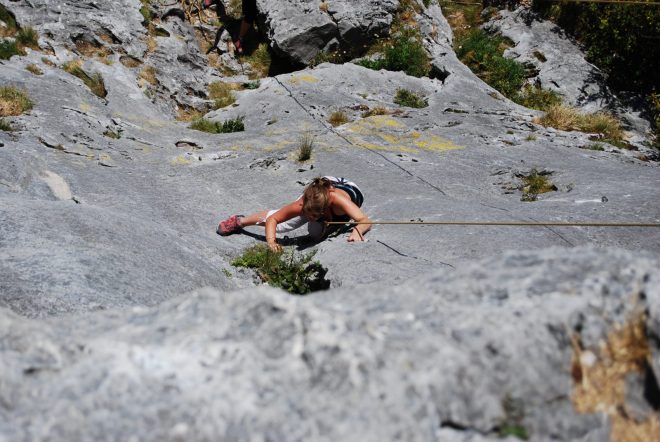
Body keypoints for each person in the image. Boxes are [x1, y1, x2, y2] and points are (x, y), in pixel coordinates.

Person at [217, 177, 372, 252]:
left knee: (315, 233)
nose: (307, 217)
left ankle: (325, 223)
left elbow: (364, 220)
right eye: (306, 213)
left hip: (345, 188)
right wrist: (271, 241)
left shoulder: (338, 201)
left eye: (312, 215)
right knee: (284, 226)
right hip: (319, 193)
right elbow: (274, 219)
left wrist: (357, 231)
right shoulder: (304, 203)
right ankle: (240, 221)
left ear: (324, 209)